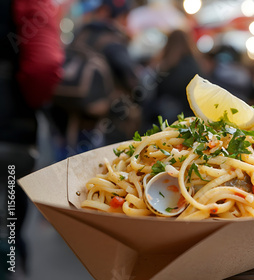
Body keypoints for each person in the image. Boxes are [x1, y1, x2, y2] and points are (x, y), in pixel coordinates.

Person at [0, 0, 63, 278]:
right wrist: (27, 102)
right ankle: (11, 263)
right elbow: (44, 65)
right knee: (8, 221)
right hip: (10, 131)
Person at [51, 0, 142, 156]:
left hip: (65, 111)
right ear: (121, 16)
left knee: (64, 162)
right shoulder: (113, 40)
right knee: (92, 166)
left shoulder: (82, 33)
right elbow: (132, 79)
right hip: (97, 119)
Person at [141, 29, 204, 129]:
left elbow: (157, 90)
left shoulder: (166, 66)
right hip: (189, 116)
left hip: (165, 118)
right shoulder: (195, 64)